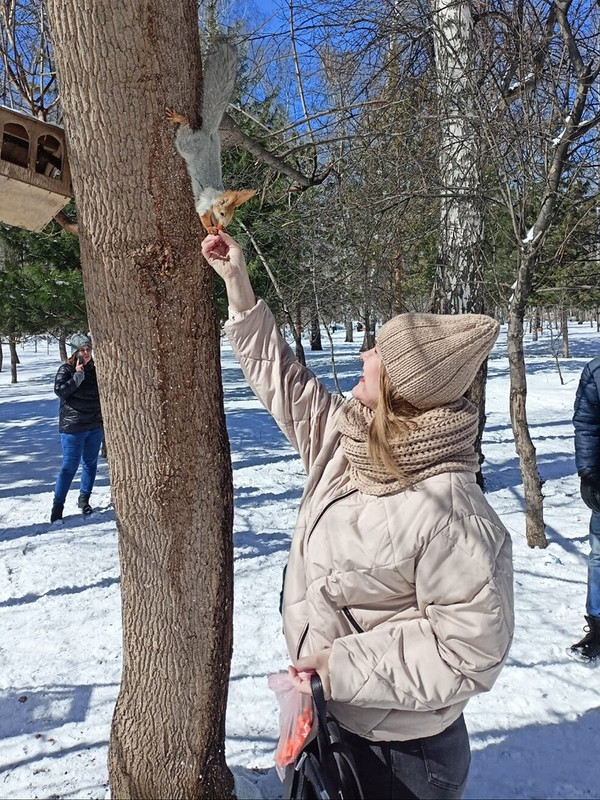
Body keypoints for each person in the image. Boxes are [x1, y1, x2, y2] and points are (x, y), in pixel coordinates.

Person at [202, 230, 514, 799]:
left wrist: (335, 667)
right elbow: (286, 384)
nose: (364, 355)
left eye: (377, 353)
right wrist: (238, 287)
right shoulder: (350, 441)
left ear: (402, 390)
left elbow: (469, 650)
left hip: (405, 759)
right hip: (334, 722)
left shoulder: (453, 513)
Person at [50, 334, 103, 523]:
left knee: (90, 464)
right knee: (69, 466)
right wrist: (78, 376)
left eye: (88, 349)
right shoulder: (66, 369)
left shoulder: (96, 370)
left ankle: (84, 499)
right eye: (82, 350)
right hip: (73, 427)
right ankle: (57, 506)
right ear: (75, 352)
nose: (86, 353)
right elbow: (61, 391)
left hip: (94, 426)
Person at [569, 356, 600, 663]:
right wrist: (588, 473)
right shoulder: (596, 370)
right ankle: (598, 629)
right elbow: (587, 424)